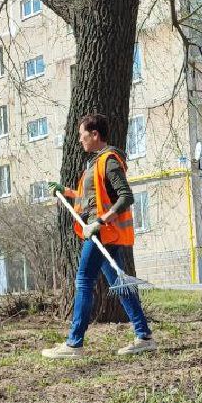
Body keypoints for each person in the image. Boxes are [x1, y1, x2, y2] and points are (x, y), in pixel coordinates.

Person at [41, 113, 156, 358]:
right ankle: (144, 335)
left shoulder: (109, 161)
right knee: (119, 282)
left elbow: (126, 197)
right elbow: (89, 200)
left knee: (83, 281)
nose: (80, 140)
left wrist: (100, 222)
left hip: (102, 233)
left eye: (83, 135)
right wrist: (67, 192)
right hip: (100, 233)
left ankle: (74, 344)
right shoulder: (94, 163)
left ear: (95, 134)